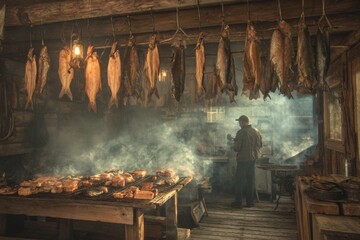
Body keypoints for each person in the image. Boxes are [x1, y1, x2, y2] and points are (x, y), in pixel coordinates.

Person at [230, 115, 262, 209]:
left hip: (243, 160)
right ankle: (250, 202)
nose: (239, 124)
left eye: (240, 122)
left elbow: (237, 148)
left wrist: (233, 144)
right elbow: (260, 145)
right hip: (253, 159)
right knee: (250, 181)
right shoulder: (256, 131)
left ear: (243, 122)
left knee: (239, 181)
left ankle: (238, 202)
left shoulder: (241, 132)